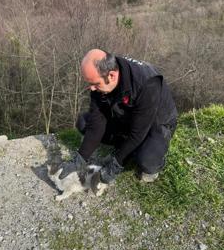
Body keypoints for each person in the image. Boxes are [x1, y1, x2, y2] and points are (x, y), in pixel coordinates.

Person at [59, 49, 177, 184]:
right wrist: (80, 159)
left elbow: (138, 133)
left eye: (95, 84)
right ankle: (126, 147)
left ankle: (146, 155)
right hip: (127, 117)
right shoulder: (103, 74)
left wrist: (116, 164)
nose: (91, 88)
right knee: (84, 123)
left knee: (147, 160)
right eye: (90, 83)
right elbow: (98, 120)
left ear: (112, 76)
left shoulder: (146, 83)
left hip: (156, 123)